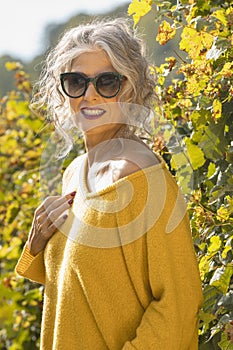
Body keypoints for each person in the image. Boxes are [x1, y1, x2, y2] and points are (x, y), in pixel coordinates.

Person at [15, 17, 203, 350]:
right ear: (63, 90)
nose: (90, 95)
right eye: (76, 82)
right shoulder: (74, 173)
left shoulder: (143, 179)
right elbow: (85, 289)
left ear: (130, 88)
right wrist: (36, 248)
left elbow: (179, 304)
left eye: (107, 82)